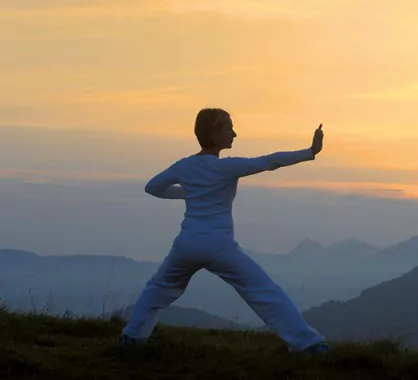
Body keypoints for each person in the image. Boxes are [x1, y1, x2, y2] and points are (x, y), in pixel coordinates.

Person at [120, 108, 329, 354]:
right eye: (229, 128)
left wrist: (190, 192)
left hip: (186, 244)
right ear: (213, 132)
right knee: (264, 291)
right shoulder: (225, 168)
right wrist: (310, 152)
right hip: (219, 245)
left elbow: (152, 187)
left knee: (157, 289)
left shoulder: (184, 166)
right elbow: (269, 161)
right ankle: (308, 345)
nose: (234, 133)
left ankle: (132, 338)